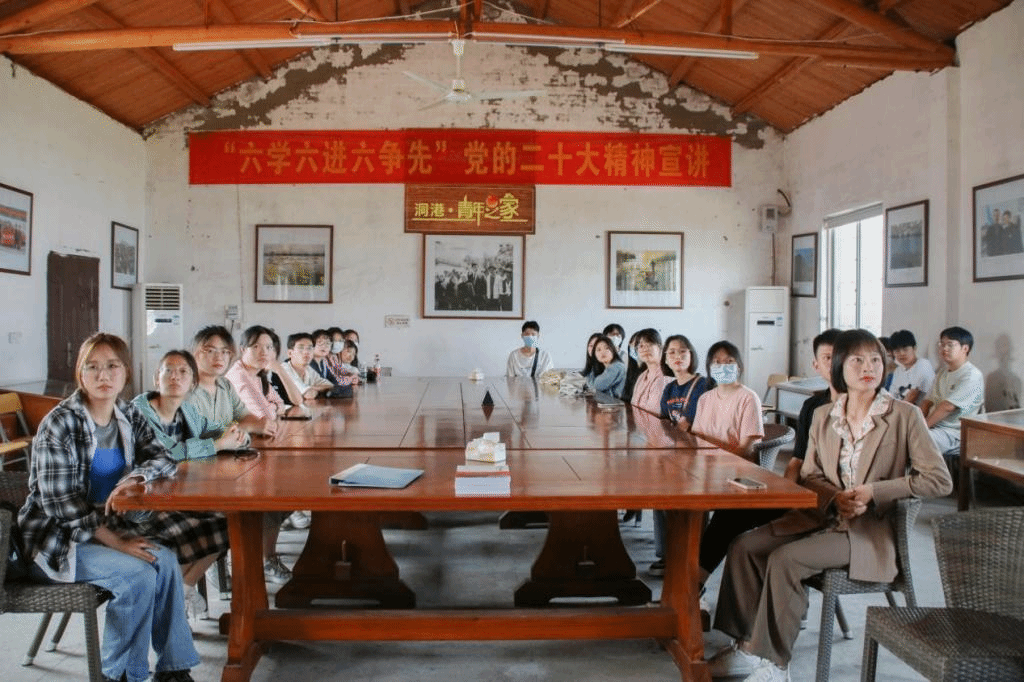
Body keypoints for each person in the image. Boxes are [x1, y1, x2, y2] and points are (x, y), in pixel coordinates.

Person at [709, 329, 953, 682]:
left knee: (785, 559)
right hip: (822, 516)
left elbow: (939, 480)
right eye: (857, 360)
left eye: (875, 359)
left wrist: (874, 491)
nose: (868, 367)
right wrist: (835, 498)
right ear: (839, 367)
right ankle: (746, 648)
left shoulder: (905, 415)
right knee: (744, 546)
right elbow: (809, 475)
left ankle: (775, 665)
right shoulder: (824, 415)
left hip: (867, 531)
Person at [18, 333, 200, 682]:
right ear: (80, 374)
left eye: (112, 366)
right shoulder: (60, 422)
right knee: (138, 575)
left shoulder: (128, 414)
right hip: (57, 542)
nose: (103, 375)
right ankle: (119, 675)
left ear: (126, 372)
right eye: (93, 367)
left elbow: (164, 458)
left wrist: (136, 477)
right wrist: (116, 542)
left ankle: (174, 669)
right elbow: (60, 505)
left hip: (104, 533)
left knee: (165, 561)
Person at [131, 350, 240, 618]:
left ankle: (181, 591)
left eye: (183, 372)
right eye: (168, 370)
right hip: (142, 502)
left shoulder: (187, 409)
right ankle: (172, 601)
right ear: (156, 378)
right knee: (192, 531)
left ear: (193, 383)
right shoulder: (139, 411)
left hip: (177, 494)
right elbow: (168, 452)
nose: (174, 377)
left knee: (231, 522)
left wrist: (238, 434)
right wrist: (217, 445)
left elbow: (216, 428)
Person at [224, 325, 300, 581]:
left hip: (255, 447)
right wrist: (271, 411)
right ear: (242, 350)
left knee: (286, 489)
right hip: (233, 456)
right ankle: (256, 558)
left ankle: (266, 556)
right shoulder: (239, 375)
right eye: (255, 346)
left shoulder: (258, 376)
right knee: (279, 491)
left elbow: (288, 404)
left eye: (268, 347)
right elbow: (266, 414)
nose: (263, 352)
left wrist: (277, 370)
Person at [649, 334, 713, 574]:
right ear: (665, 358)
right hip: (675, 454)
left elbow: (685, 424)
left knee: (686, 502)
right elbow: (663, 422)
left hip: (698, 457)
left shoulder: (702, 384)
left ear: (691, 355)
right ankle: (667, 554)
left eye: (683, 351)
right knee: (658, 494)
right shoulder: (670, 387)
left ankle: (691, 555)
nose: (677, 356)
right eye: (672, 352)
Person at [691, 340, 764, 456]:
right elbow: (697, 438)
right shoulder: (704, 399)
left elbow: (745, 449)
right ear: (710, 369)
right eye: (717, 362)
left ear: (739, 367)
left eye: (729, 361)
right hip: (704, 461)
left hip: (735, 464)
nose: (723, 366)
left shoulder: (749, 398)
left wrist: (718, 463)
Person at [919, 326, 985, 453]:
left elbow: (948, 407)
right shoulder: (942, 373)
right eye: (942, 344)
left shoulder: (972, 375)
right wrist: (916, 423)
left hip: (955, 433)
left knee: (915, 441)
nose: (944, 349)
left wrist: (922, 427)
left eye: (950, 345)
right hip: (935, 427)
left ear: (965, 348)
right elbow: (928, 401)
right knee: (898, 434)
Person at [629, 328, 673, 415]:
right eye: (641, 346)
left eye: (650, 344)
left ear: (660, 347)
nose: (645, 349)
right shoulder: (642, 376)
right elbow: (633, 405)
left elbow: (654, 413)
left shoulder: (665, 377)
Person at [888, 329, 934, 405]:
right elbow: (891, 395)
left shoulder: (923, 364)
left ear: (914, 348)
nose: (901, 354)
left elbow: (913, 395)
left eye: (905, 349)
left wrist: (895, 411)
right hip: (900, 408)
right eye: (897, 351)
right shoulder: (898, 370)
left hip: (917, 409)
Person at [281, 332, 334, 398]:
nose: (306, 352)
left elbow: (330, 386)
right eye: (301, 348)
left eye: (309, 348)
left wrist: (311, 388)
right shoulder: (284, 369)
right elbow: (308, 395)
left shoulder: (308, 369)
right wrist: (318, 389)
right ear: (290, 353)